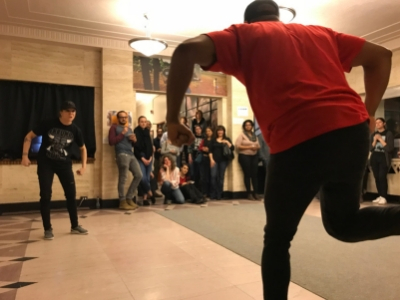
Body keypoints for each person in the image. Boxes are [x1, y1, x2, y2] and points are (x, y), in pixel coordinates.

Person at [164, 1, 398, 299]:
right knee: (344, 223)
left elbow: (185, 51)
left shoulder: (244, 36)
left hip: (296, 138)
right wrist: (369, 112)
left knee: (277, 239)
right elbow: (381, 56)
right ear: (277, 17)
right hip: (349, 133)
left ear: (249, 21)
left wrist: (172, 118)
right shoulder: (319, 33)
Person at [21, 101, 88, 240]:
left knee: (71, 194)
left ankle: (75, 226)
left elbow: (83, 148)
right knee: (45, 195)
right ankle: (47, 228)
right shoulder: (48, 123)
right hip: (46, 163)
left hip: (64, 165)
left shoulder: (75, 130)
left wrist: (84, 166)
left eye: (73, 111)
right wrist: (25, 156)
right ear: (61, 112)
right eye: (68, 111)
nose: (71, 114)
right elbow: (29, 136)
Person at [108, 110, 142, 210]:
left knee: (139, 175)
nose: (124, 118)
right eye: (122, 117)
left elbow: (132, 144)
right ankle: (122, 201)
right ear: (118, 118)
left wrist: (135, 141)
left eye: (125, 117)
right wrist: (122, 133)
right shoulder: (114, 127)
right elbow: (111, 142)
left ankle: (129, 198)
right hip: (121, 154)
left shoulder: (130, 129)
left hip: (131, 154)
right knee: (123, 177)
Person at [370, 118, 394, 205]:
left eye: (379, 122)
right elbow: (371, 148)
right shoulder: (374, 134)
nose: (377, 124)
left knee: (382, 177)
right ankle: (380, 195)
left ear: (384, 123)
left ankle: (384, 197)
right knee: (376, 177)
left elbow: (390, 149)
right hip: (375, 157)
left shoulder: (389, 133)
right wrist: (375, 140)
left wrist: (380, 139)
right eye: (376, 123)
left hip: (384, 157)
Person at [235, 119, 261, 200]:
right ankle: (249, 193)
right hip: (244, 156)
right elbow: (238, 146)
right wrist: (249, 147)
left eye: (249, 125)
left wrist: (256, 147)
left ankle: (256, 193)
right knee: (247, 174)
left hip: (254, 156)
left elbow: (259, 146)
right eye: (246, 125)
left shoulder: (255, 136)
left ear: (252, 126)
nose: (248, 126)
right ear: (244, 127)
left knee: (254, 175)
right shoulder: (242, 135)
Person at [134, 116, 155, 205]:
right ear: (139, 122)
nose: (143, 123)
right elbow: (136, 147)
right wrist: (142, 158)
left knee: (147, 178)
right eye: (142, 121)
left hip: (149, 157)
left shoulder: (147, 132)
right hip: (140, 158)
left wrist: (150, 157)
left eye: (145, 122)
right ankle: (150, 193)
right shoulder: (136, 131)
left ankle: (145, 198)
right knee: (143, 178)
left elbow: (150, 146)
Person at [209, 125, 234, 200]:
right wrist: (211, 160)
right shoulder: (213, 140)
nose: (220, 132)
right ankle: (213, 194)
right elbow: (210, 151)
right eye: (219, 130)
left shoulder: (227, 139)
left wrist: (227, 142)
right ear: (216, 132)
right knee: (213, 176)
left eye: (221, 130)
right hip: (214, 160)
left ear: (224, 131)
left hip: (223, 161)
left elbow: (232, 148)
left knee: (221, 177)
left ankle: (219, 194)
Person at [198, 126, 214, 199]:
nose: (208, 132)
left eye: (209, 131)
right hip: (204, 158)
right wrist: (203, 148)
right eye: (207, 131)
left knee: (211, 176)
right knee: (204, 176)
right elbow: (200, 147)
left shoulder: (214, 140)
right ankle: (204, 192)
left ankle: (211, 192)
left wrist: (209, 149)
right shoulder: (204, 140)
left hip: (212, 159)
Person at [188, 125, 204, 190]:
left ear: (201, 129)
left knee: (201, 173)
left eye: (199, 129)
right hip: (194, 155)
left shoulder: (204, 137)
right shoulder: (192, 137)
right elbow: (190, 147)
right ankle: (195, 187)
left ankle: (201, 189)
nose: (197, 130)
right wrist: (189, 156)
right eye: (196, 129)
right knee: (194, 172)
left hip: (202, 155)